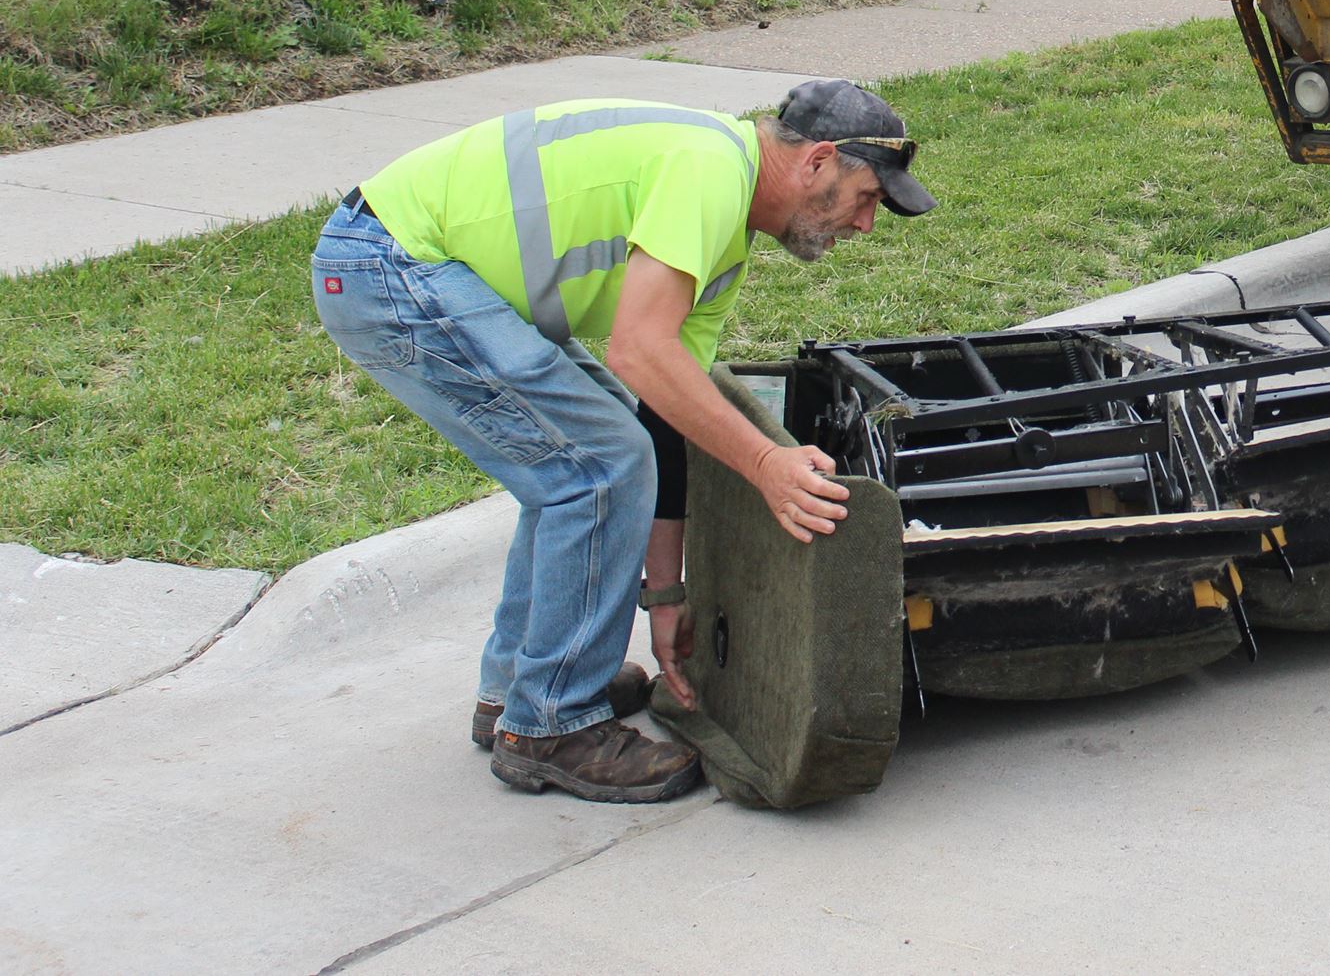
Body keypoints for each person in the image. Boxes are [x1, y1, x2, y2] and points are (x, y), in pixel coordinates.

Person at [312, 80, 933, 801]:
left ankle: (523, 680)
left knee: (593, 447)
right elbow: (638, 351)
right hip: (389, 263)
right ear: (818, 161)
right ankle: (549, 720)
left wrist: (664, 595)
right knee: (597, 461)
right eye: (866, 197)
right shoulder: (708, 172)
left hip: (404, 262)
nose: (867, 224)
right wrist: (766, 461)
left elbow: (664, 410)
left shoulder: (725, 229)